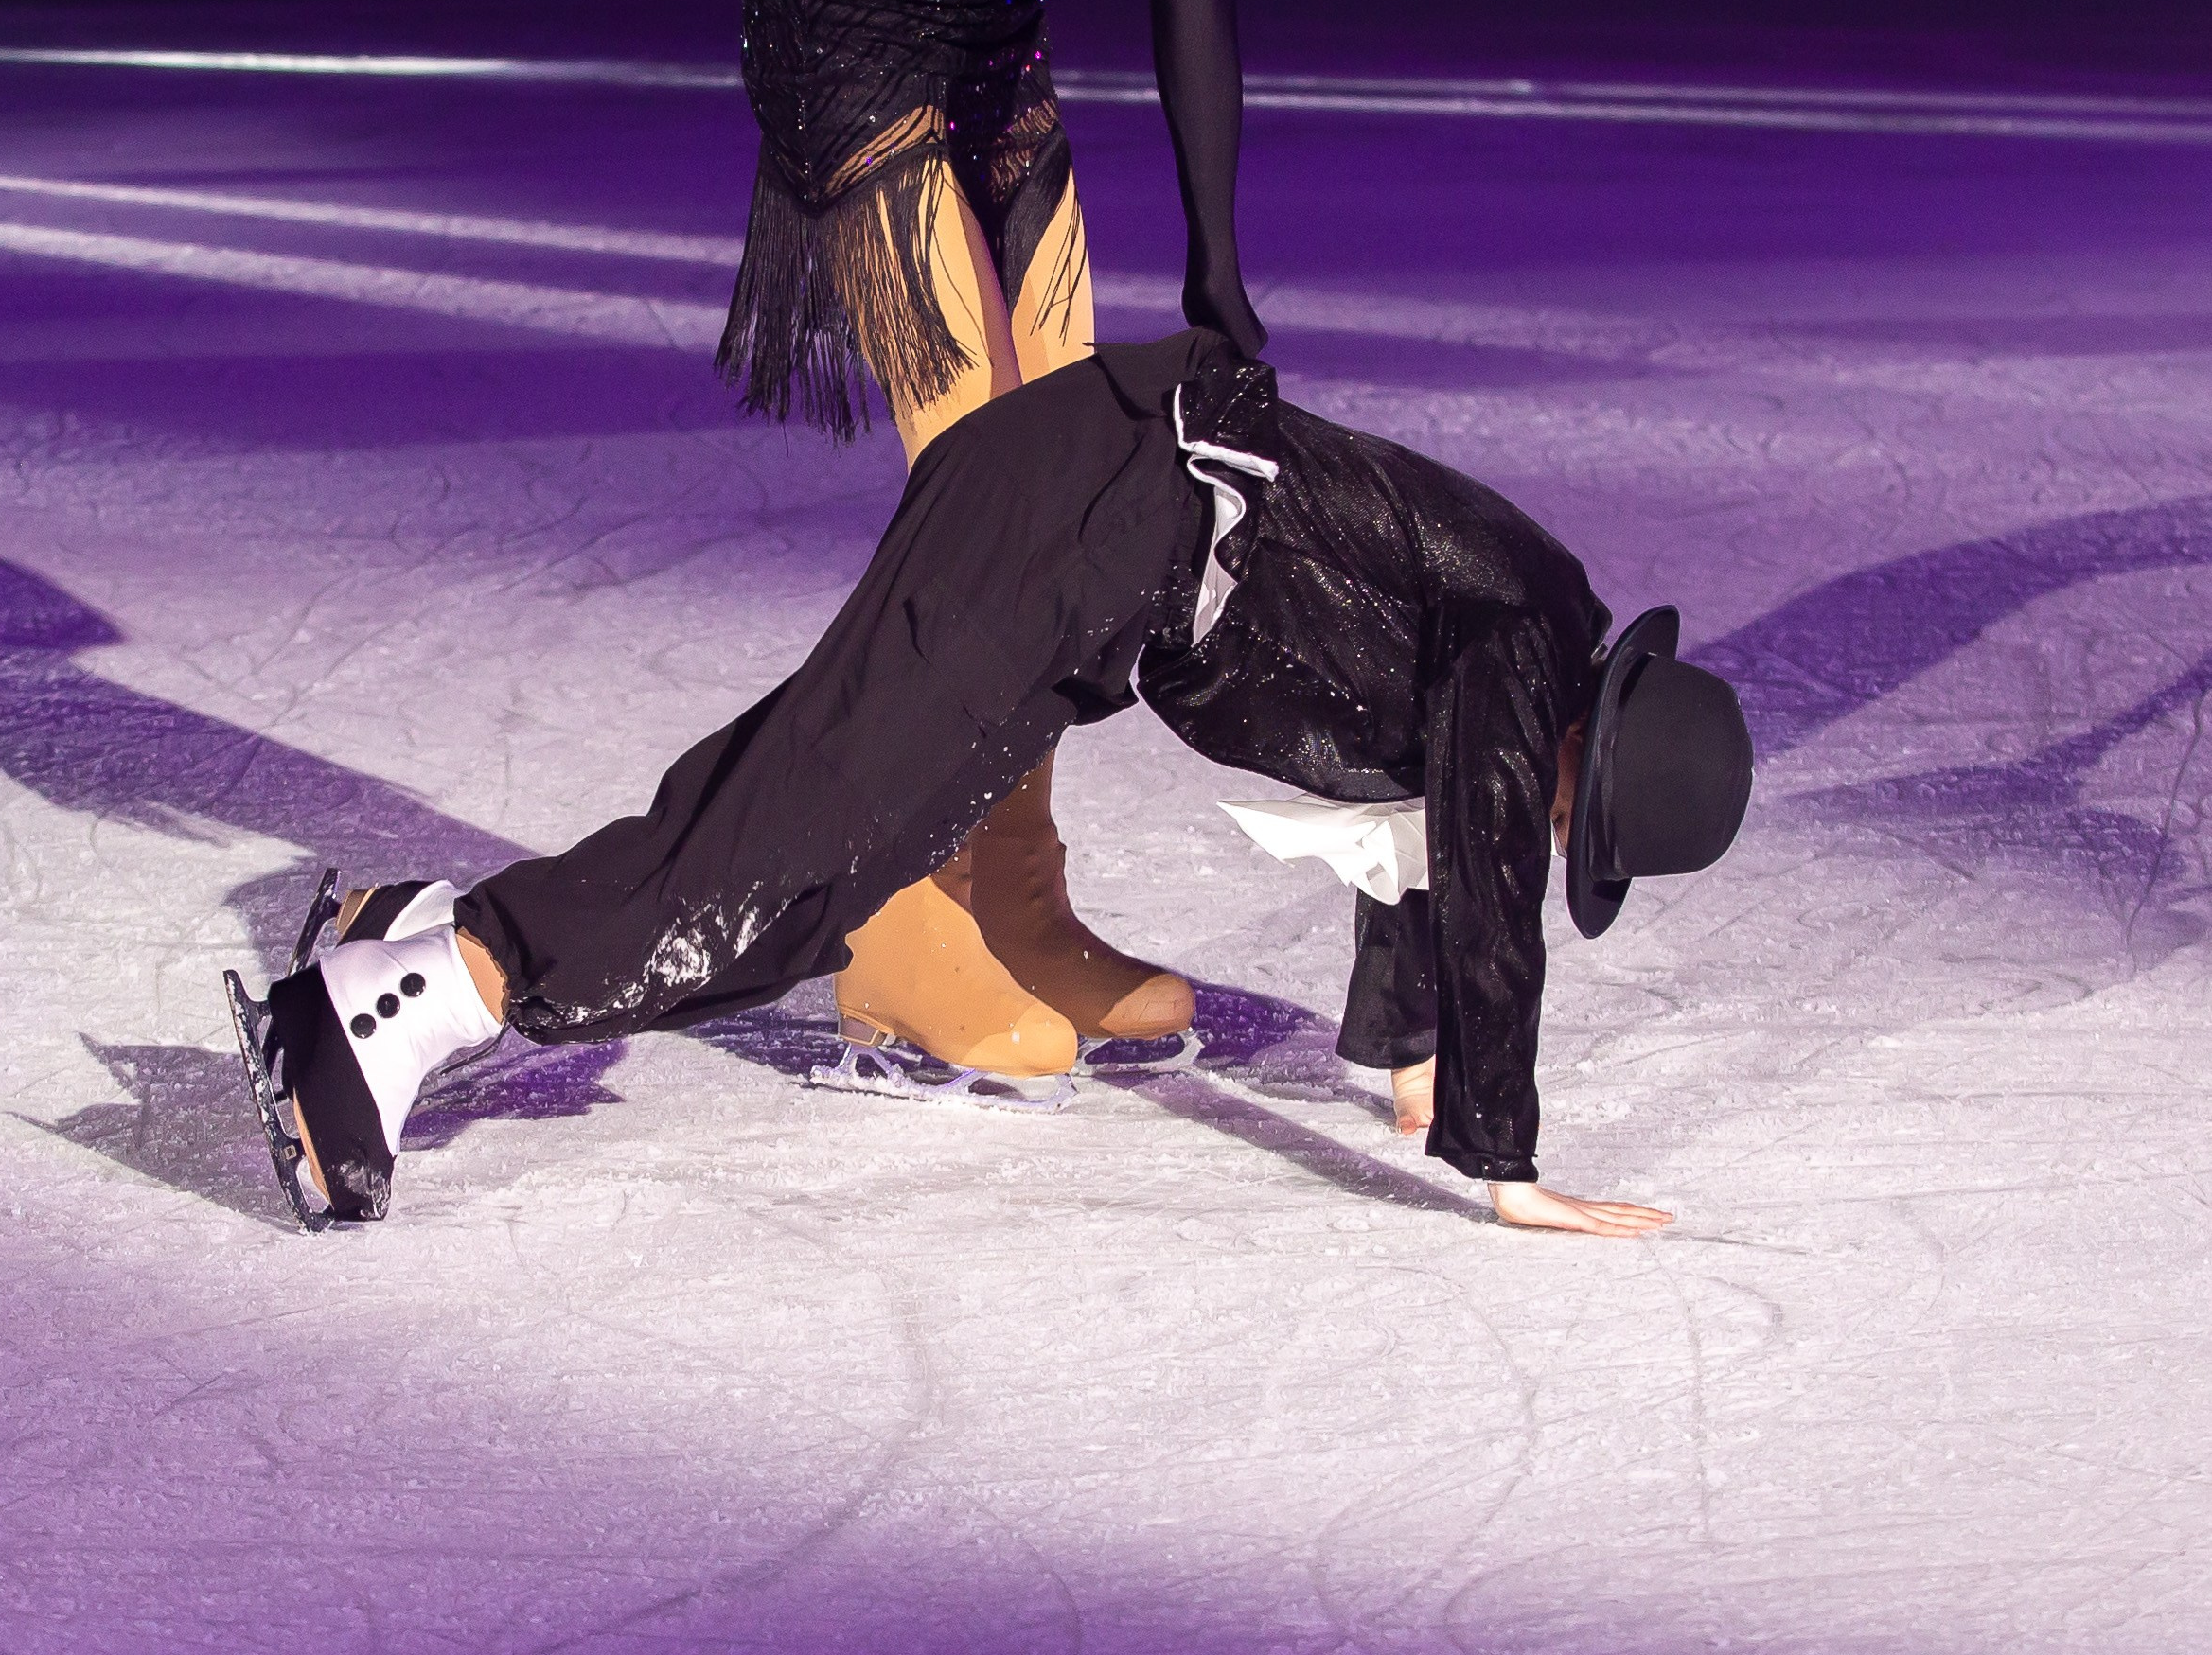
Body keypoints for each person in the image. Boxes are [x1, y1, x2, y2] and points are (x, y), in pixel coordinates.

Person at [229, 335, 1753, 1241]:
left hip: (1088, 556)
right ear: (1582, 750)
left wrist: (1418, 1058)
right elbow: (1479, 853)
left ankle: (414, 917)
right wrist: (1504, 1154)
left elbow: (1421, 851)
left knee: (821, 836)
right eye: (1576, 818)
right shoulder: (1521, 648)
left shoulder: (1522, 643)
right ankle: (395, 999)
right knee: (806, 847)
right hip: (1081, 517)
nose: (1551, 837)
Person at [714, 0, 1455, 1083]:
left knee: (1073, 479)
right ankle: (893, 917)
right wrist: (1217, 268)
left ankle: (1017, 890)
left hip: (977, 25)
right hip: (846, 14)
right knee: (975, 481)